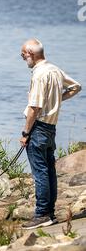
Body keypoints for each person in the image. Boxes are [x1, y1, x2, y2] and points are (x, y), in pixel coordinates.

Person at [20, 38, 82, 230]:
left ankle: (42, 215)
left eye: (23, 55)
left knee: (40, 173)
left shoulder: (39, 74)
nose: (23, 59)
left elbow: (34, 107)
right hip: (51, 128)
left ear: (31, 53)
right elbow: (76, 87)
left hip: (38, 128)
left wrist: (25, 133)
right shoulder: (55, 70)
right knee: (49, 171)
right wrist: (57, 100)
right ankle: (50, 213)